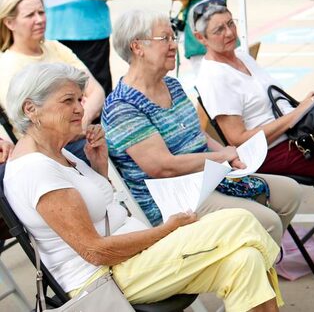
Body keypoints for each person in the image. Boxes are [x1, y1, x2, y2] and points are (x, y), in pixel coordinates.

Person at [4, 63, 283, 311]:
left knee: (246, 261)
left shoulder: (60, 152)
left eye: (79, 99)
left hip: (134, 260)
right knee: (240, 221)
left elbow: (100, 209)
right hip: (105, 277)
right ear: (31, 109)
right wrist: (166, 230)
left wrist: (99, 166)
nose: (80, 108)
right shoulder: (35, 169)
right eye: (68, 101)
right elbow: (95, 251)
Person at [191, 2, 314, 255]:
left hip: (297, 133)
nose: (229, 33)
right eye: (218, 29)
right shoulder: (213, 77)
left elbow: (269, 103)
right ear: (201, 38)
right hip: (270, 151)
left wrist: (303, 105)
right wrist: (296, 114)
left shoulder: (241, 56)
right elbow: (238, 139)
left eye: (231, 23)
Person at [101, 10, 302, 248]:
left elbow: (198, 135)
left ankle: (249, 262)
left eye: (173, 38)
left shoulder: (172, 85)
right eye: (165, 38)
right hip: (173, 199)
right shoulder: (123, 106)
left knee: (290, 192)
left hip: (204, 180)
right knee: (266, 222)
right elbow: (162, 167)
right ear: (137, 47)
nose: (174, 45)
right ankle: (245, 269)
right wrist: (221, 157)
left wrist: (232, 156)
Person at [0, 0, 104, 161]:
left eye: (41, 12)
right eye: (30, 15)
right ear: (10, 23)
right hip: (48, 151)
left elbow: (97, 92)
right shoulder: (6, 66)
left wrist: (80, 123)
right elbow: (29, 120)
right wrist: (78, 111)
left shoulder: (55, 47)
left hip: (80, 136)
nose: (39, 20)